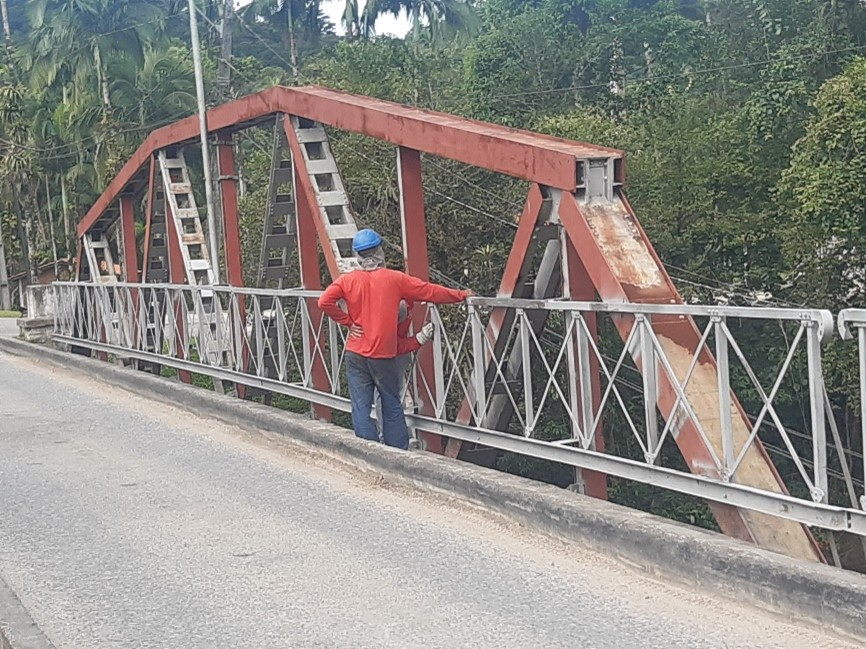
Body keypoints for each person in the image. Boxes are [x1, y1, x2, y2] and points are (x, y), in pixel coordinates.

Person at [318, 228, 471, 449]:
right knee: (391, 403)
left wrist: (348, 322)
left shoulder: (347, 281)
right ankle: (396, 452)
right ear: (380, 251)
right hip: (382, 354)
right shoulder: (395, 279)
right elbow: (429, 292)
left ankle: (367, 453)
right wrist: (462, 295)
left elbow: (324, 302)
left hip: (355, 352)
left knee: (360, 407)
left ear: (358, 256)